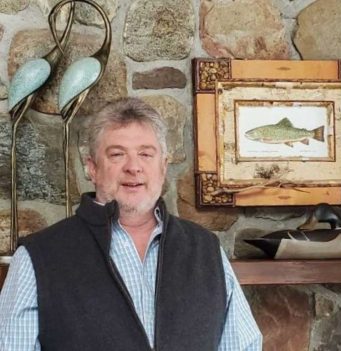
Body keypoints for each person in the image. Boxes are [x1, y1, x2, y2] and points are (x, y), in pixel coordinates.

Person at [0, 97, 262, 350]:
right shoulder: (39, 256)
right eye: (117, 155)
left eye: (146, 154)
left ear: (163, 165)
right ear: (92, 167)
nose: (133, 167)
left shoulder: (205, 249)